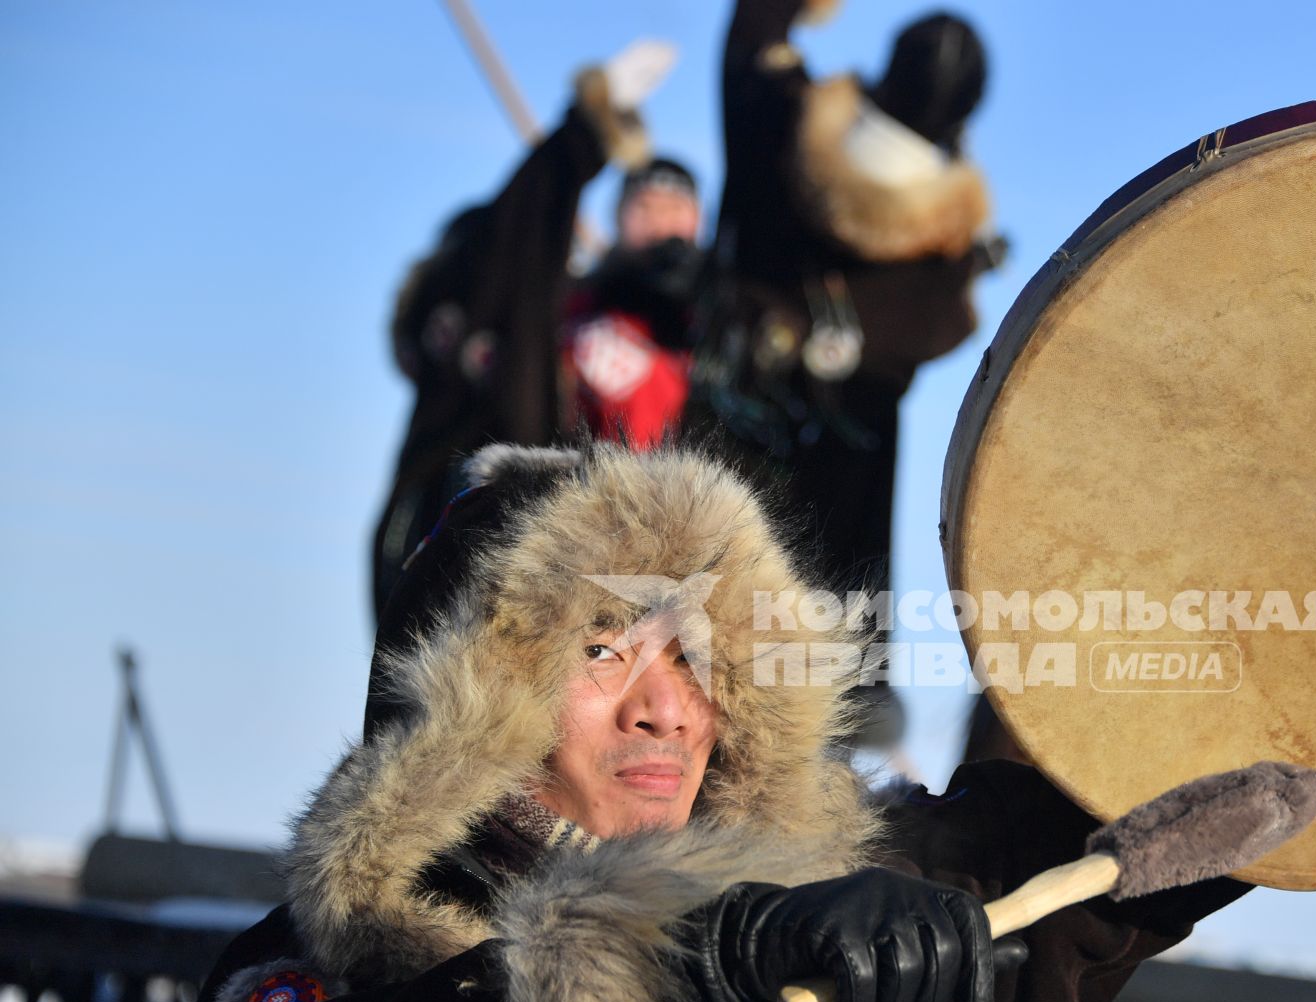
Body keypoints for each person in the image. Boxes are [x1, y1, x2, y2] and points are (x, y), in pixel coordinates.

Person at [107, 444, 1265, 1002]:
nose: (667, 707)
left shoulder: (858, 906)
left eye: (697, 652)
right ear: (470, 698)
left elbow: (1117, 838)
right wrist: (693, 966)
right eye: (602, 648)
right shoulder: (326, 985)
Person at [685, 0, 1004, 601]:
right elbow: (954, 318)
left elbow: (753, 32)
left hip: (704, 475)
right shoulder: (943, 266)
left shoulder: (784, 120)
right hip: (837, 545)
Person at [371, 64, 650, 617]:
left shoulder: (560, 329)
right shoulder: (473, 305)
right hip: (453, 535)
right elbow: (516, 240)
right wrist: (580, 139)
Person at [562, 158, 708, 453]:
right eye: (644, 208)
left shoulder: (720, 311)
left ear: (698, 219)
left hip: (700, 488)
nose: (660, 223)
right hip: (600, 485)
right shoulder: (578, 307)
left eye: (675, 209)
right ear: (617, 216)